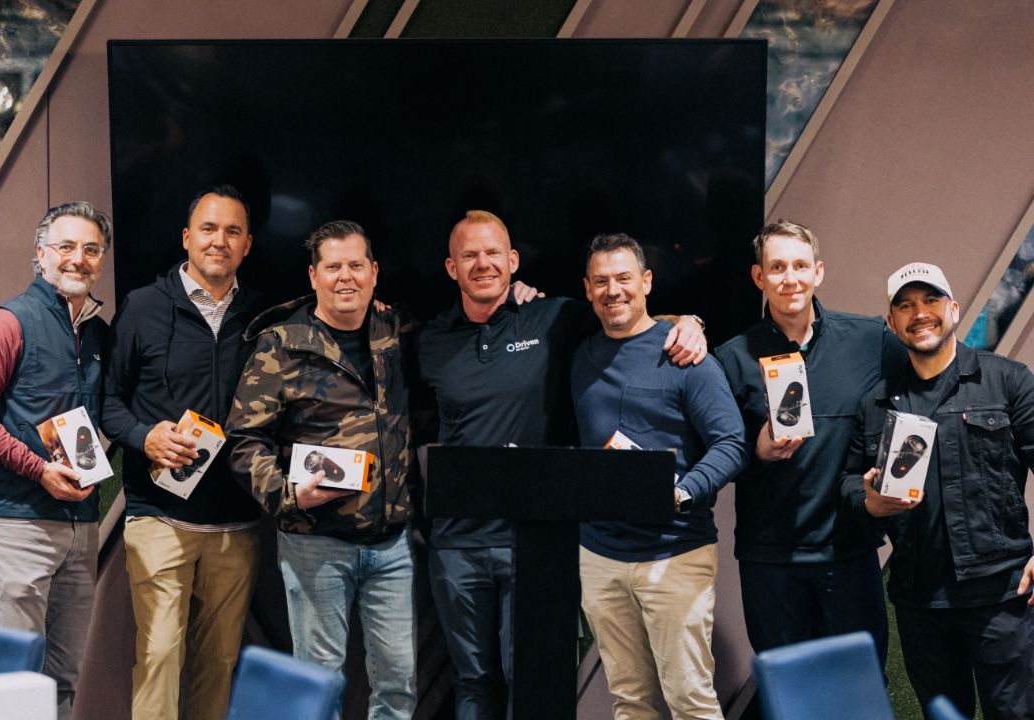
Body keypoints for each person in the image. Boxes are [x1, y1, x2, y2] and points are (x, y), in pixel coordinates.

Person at [417, 210, 707, 718]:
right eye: (469, 255)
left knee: (532, 682)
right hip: (456, 542)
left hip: (536, 541)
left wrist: (690, 322)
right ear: (450, 267)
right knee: (472, 683)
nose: (483, 264)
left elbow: (627, 319)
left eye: (493, 253)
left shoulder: (554, 318)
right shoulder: (428, 340)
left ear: (513, 260)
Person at [227, 220, 417, 720]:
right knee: (318, 686)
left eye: (356, 265)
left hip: (392, 545)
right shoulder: (281, 345)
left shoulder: (396, 332)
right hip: (315, 544)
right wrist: (289, 496)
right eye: (333, 267)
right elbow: (244, 441)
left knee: (398, 686)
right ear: (313, 276)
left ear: (374, 272)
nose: (345, 277)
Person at [840, 262, 1034, 720]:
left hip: (1002, 596)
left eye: (930, 300)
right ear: (892, 323)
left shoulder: (1008, 380)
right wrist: (869, 501)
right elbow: (848, 483)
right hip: (920, 601)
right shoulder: (876, 404)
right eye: (905, 305)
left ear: (954, 309)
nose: (919, 313)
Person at [101, 186, 265, 720]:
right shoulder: (143, 307)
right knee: (160, 656)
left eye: (233, 231)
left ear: (247, 245)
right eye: (209, 229)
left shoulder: (263, 318)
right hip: (159, 516)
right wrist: (144, 436)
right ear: (187, 238)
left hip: (237, 522)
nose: (220, 241)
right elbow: (107, 402)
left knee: (219, 663)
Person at [713, 221, 906, 664]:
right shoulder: (731, 357)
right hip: (770, 557)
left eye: (800, 266)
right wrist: (758, 450)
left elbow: (920, 389)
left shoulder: (869, 339)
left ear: (818, 272)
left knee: (859, 686)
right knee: (789, 690)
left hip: (848, 551)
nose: (790, 278)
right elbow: (719, 451)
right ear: (759, 277)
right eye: (777, 267)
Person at [571, 232, 746, 719]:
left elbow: (732, 443)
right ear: (587, 289)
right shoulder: (581, 357)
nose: (613, 290)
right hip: (600, 556)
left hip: (674, 553)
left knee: (690, 701)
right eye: (601, 281)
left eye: (624, 278)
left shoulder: (685, 356)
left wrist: (683, 491)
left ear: (646, 281)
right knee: (630, 702)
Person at [0, 202, 111, 720]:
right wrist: (37, 468)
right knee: (14, 685)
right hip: (17, 525)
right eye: (65, 246)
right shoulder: (7, 323)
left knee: (63, 681)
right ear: (41, 254)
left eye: (91, 249)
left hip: (80, 528)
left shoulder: (97, 334)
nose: (78, 258)